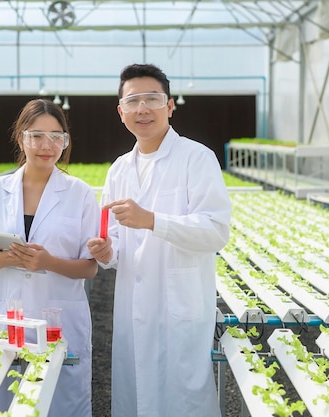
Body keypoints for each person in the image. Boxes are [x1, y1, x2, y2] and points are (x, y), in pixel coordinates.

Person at [87, 63, 232, 417]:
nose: (143, 109)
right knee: (135, 397)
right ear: (121, 112)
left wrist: (152, 221)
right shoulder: (119, 168)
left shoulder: (196, 158)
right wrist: (107, 251)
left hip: (177, 308)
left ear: (169, 106)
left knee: (182, 398)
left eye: (152, 99)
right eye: (133, 101)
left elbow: (215, 230)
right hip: (132, 309)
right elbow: (117, 241)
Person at [0, 98, 99, 417]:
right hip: (7, 316)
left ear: (65, 142)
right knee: (4, 402)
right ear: (21, 137)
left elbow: (90, 267)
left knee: (59, 403)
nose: (47, 145)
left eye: (56, 136)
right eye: (37, 135)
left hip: (58, 319)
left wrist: (48, 263)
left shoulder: (79, 193)